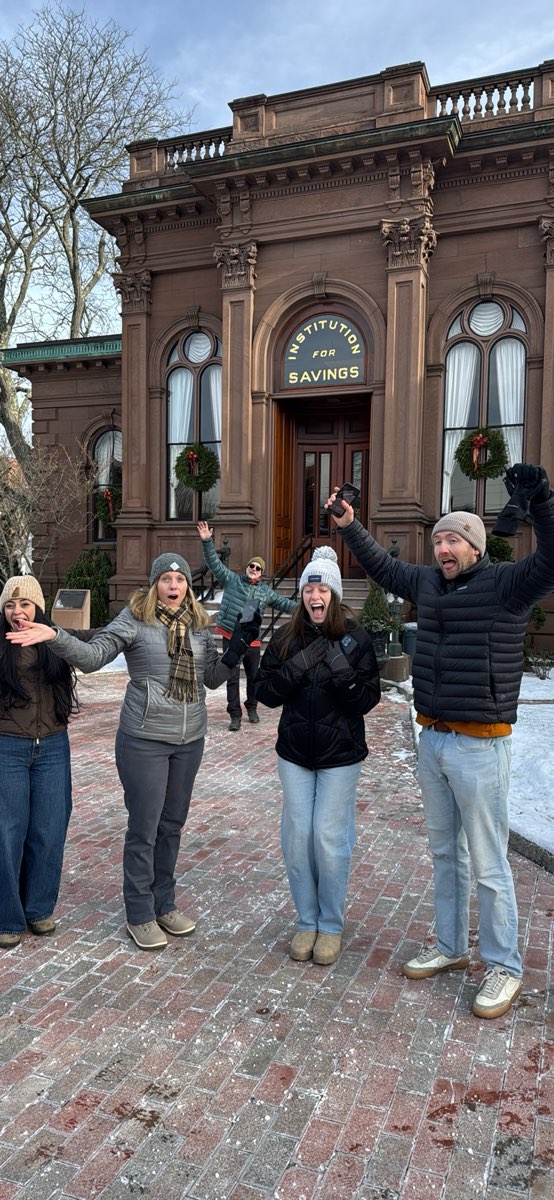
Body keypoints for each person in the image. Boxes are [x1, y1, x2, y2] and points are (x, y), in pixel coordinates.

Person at [326, 464, 554, 1017]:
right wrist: (352, 525)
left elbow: (551, 559)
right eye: (439, 540)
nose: (443, 548)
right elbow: (384, 568)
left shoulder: (507, 586)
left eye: (453, 539)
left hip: (481, 744)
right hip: (432, 739)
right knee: (444, 853)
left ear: (475, 546)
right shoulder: (428, 583)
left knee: (489, 861)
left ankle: (504, 966)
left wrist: (540, 502)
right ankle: (451, 948)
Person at [8, 553, 258, 952]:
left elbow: (210, 680)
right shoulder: (134, 620)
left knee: (171, 826)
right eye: (165, 579)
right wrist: (54, 636)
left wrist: (235, 651)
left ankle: (165, 903)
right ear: (154, 583)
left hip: (190, 739)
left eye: (179, 579)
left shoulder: (197, 626)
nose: (173, 586)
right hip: (144, 739)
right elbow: (92, 659)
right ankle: (140, 911)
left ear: (187, 586)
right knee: (145, 828)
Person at [255, 546, 381, 965]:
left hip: (340, 756)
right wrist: (299, 665)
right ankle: (306, 920)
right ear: (303, 594)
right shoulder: (288, 637)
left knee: (328, 838)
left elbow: (366, 700)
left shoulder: (357, 638)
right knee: (297, 838)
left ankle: (330, 925)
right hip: (294, 754)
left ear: (335, 594)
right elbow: (265, 693)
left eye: (323, 585)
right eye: (310, 584)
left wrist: (342, 672)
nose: (316, 593)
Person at [0, 576, 79, 950]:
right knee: (7, 833)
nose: (18, 612)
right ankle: (8, 916)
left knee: (49, 829)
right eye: (11, 605)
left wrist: (53, 637)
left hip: (52, 746)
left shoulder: (55, 643)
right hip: (7, 748)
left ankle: (38, 908)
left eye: (26, 604)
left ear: (39, 608)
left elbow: (89, 650)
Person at [197, 521, 296, 730]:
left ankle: (252, 707)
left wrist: (307, 608)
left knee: (253, 676)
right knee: (231, 676)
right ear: (247, 567)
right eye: (252, 566)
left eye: (258, 568)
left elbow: (285, 604)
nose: (254, 569)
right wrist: (207, 541)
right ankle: (234, 714)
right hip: (231, 636)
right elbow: (214, 564)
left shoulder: (265, 592)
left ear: (261, 573)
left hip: (250, 639)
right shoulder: (232, 580)